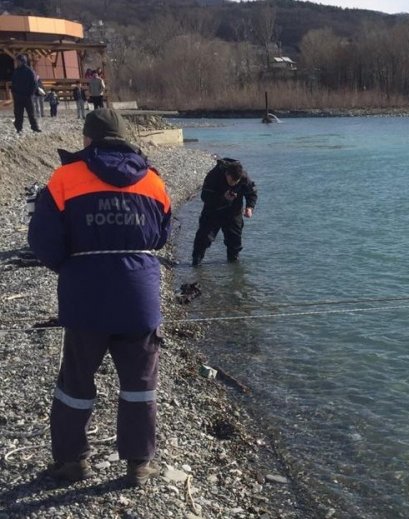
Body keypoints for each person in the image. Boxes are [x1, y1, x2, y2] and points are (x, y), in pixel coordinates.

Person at [27, 108, 171, 486]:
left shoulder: (65, 177)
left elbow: (43, 240)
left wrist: (72, 268)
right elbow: (160, 235)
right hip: (139, 296)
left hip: (85, 296)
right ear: (125, 138)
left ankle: (73, 461)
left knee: (75, 381)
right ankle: (139, 464)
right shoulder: (152, 180)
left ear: (87, 140)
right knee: (140, 384)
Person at [191, 158, 257, 266]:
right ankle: (196, 264)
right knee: (203, 239)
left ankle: (234, 268)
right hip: (213, 211)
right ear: (227, 174)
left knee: (234, 243)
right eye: (231, 181)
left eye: (236, 182)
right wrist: (223, 198)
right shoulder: (213, 176)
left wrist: (250, 207)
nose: (233, 184)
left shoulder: (244, 177)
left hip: (233, 212)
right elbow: (204, 197)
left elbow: (252, 192)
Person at [10, 54, 41, 134]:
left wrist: (30, 94)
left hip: (27, 96)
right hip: (18, 96)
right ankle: (18, 128)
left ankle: (35, 128)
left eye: (18, 61)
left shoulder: (29, 71)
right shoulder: (16, 72)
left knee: (31, 113)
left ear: (22, 61)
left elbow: (34, 84)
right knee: (18, 114)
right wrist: (14, 93)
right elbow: (13, 84)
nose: (17, 63)